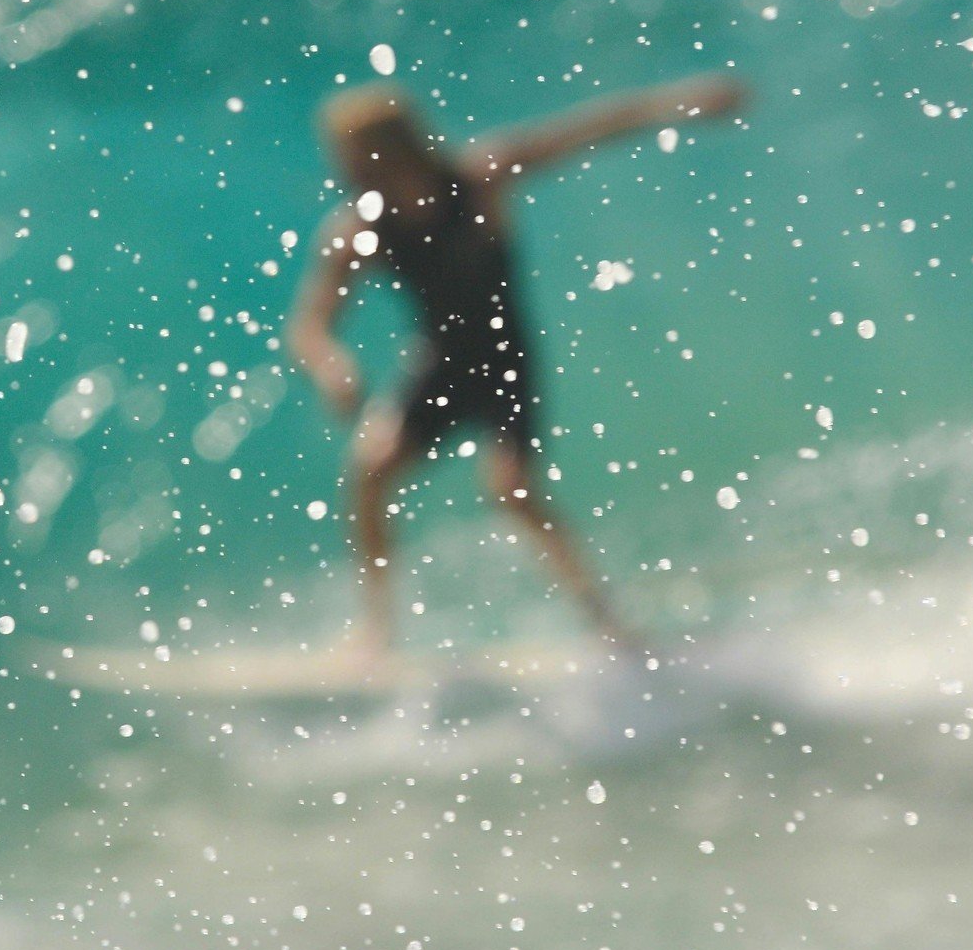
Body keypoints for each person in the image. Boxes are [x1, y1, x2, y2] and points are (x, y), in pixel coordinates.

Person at [288, 72, 747, 663]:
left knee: (512, 490)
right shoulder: (356, 231)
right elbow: (310, 324)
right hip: (440, 364)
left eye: (353, 153)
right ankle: (377, 629)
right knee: (372, 470)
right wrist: (331, 366)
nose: (346, 167)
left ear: (395, 144)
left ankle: (608, 625)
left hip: (505, 361)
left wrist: (676, 104)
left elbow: (582, 133)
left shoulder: (478, 179)